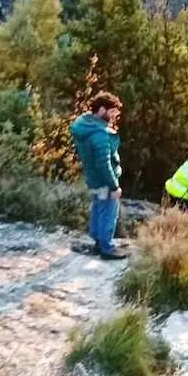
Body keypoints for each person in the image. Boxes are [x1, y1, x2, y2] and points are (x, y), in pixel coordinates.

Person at [71, 91, 126, 260]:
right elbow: (104, 163)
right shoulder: (100, 134)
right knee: (109, 209)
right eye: (111, 111)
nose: (113, 116)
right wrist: (114, 186)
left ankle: (97, 241)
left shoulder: (84, 125)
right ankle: (106, 247)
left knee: (98, 207)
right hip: (104, 179)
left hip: (92, 177)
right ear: (102, 110)